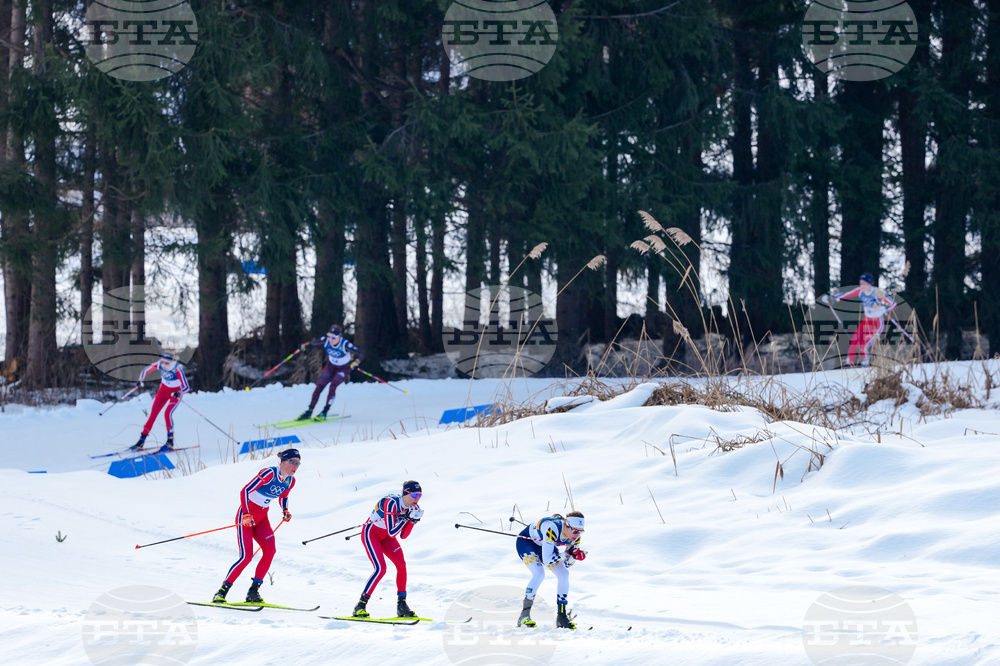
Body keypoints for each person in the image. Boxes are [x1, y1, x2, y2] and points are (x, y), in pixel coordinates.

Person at [212, 449, 300, 604]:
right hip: (247, 516)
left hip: (262, 517)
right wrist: (246, 514)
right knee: (246, 556)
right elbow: (245, 490)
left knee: (270, 550)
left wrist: (285, 510)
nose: (296, 466)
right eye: (293, 461)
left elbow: (284, 496)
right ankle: (221, 592)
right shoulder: (269, 473)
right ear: (284, 461)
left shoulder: (290, 481)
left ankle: (253, 591)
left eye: (298, 463)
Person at [352, 480, 423, 619]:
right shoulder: (391, 503)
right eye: (414, 495)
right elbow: (392, 532)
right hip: (371, 533)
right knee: (381, 569)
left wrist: (413, 521)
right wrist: (407, 518)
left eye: (420, 495)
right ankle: (360, 605)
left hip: (386, 537)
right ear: (406, 493)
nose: (417, 498)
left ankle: (402, 605)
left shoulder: (411, 508)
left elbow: (403, 535)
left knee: (401, 565)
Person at [516, 511, 587, 630]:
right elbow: (547, 559)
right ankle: (524, 616)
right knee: (539, 574)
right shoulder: (551, 528)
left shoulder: (575, 537)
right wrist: (567, 553)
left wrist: (573, 556)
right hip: (527, 543)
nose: (577, 535)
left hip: (545, 545)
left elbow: (566, 564)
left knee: (564, 573)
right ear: (566, 526)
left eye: (580, 531)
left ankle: (561, 617)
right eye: (575, 531)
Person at [821, 272, 898, 368]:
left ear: (870, 283)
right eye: (861, 283)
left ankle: (865, 365)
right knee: (854, 340)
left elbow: (893, 304)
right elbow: (846, 294)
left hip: (877, 323)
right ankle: (849, 364)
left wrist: (884, 309)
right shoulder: (860, 291)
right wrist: (831, 298)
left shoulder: (877, 292)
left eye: (864, 283)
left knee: (863, 344)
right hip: (867, 321)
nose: (862, 285)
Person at [296, 324, 365, 420]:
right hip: (331, 366)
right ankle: (309, 411)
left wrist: (356, 362)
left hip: (343, 368)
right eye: (329, 336)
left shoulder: (345, 344)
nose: (330, 339)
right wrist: (304, 346)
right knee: (319, 386)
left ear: (339, 337)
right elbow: (313, 344)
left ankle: (324, 412)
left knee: (333, 386)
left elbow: (361, 354)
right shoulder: (325, 340)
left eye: (333, 337)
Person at [132, 351, 190, 451]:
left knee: (167, 414)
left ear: (172, 362)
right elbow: (145, 370)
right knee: (152, 415)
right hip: (163, 391)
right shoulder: (159, 364)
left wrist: (179, 393)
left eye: (167, 363)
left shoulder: (177, 368)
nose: (164, 365)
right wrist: (140, 380)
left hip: (175, 393)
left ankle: (170, 442)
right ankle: (141, 441)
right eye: (162, 362)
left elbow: (186, 387)